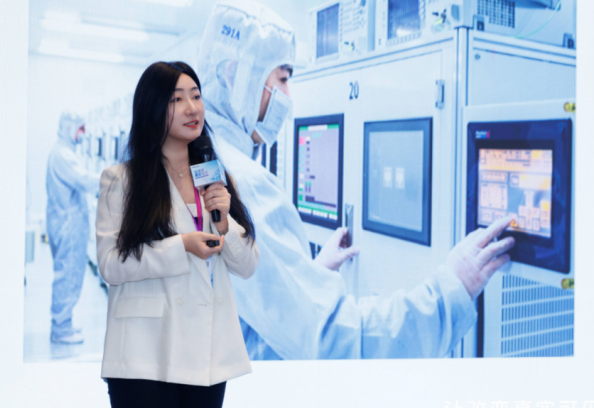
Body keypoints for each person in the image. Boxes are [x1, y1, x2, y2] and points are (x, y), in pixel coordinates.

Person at [198, 0, 516, 360]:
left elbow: (246, 312)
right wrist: (451, 291)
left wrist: (307, 279)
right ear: (234, 75)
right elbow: (331, 340)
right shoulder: (239, 186)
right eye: (282, 79)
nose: (288, 96)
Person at [96, 61, 259, 408]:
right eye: (177, 99)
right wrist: (181, 246)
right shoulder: (122, 180)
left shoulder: (217, 178)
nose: (192, 108)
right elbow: (111, 264)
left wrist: (224, 221)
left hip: (205, 355)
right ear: (153, 108)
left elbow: (248, 265)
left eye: (196, 96)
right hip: (144, 354)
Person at [45, 112, 99, 344]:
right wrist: (114, 177)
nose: (83, 134)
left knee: (70, 273)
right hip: (67, 225)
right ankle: (61, 328)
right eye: (81, 128)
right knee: (67, 275)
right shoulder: (63, 155)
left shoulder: (64, 152)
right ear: (69, 128)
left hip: (67, 223)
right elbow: (84, 180)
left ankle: (63, 321)